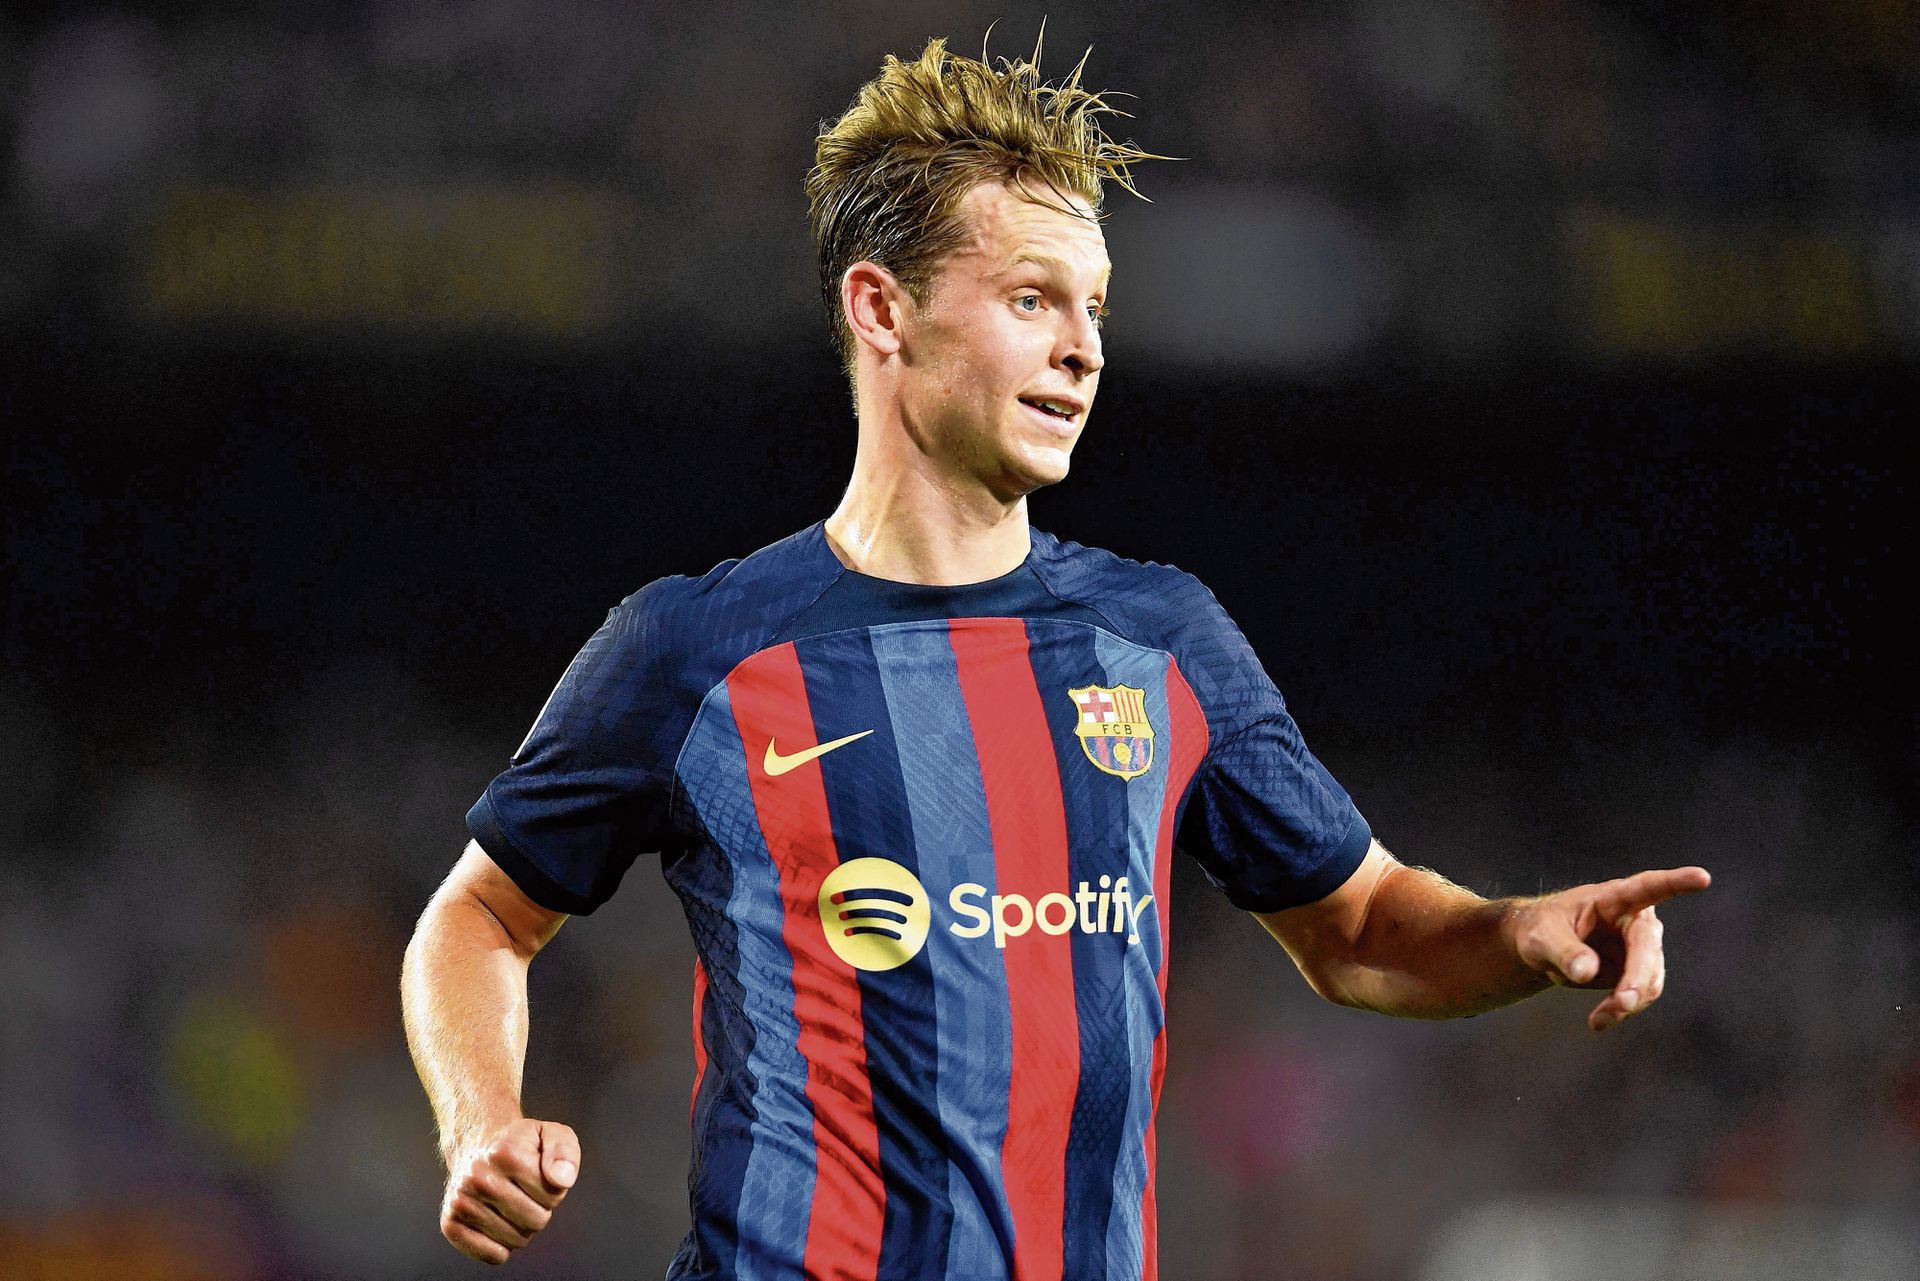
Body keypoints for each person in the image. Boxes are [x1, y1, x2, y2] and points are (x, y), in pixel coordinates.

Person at [401, 34, 1711, 1279]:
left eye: (1094, 307)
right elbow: (480, 916)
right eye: (1032, 299)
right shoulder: (697, 649)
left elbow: (1360, 928)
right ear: (882, 308)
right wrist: (480, 1119)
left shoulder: (1163, 641)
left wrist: (1517, 929)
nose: (1082, 347)